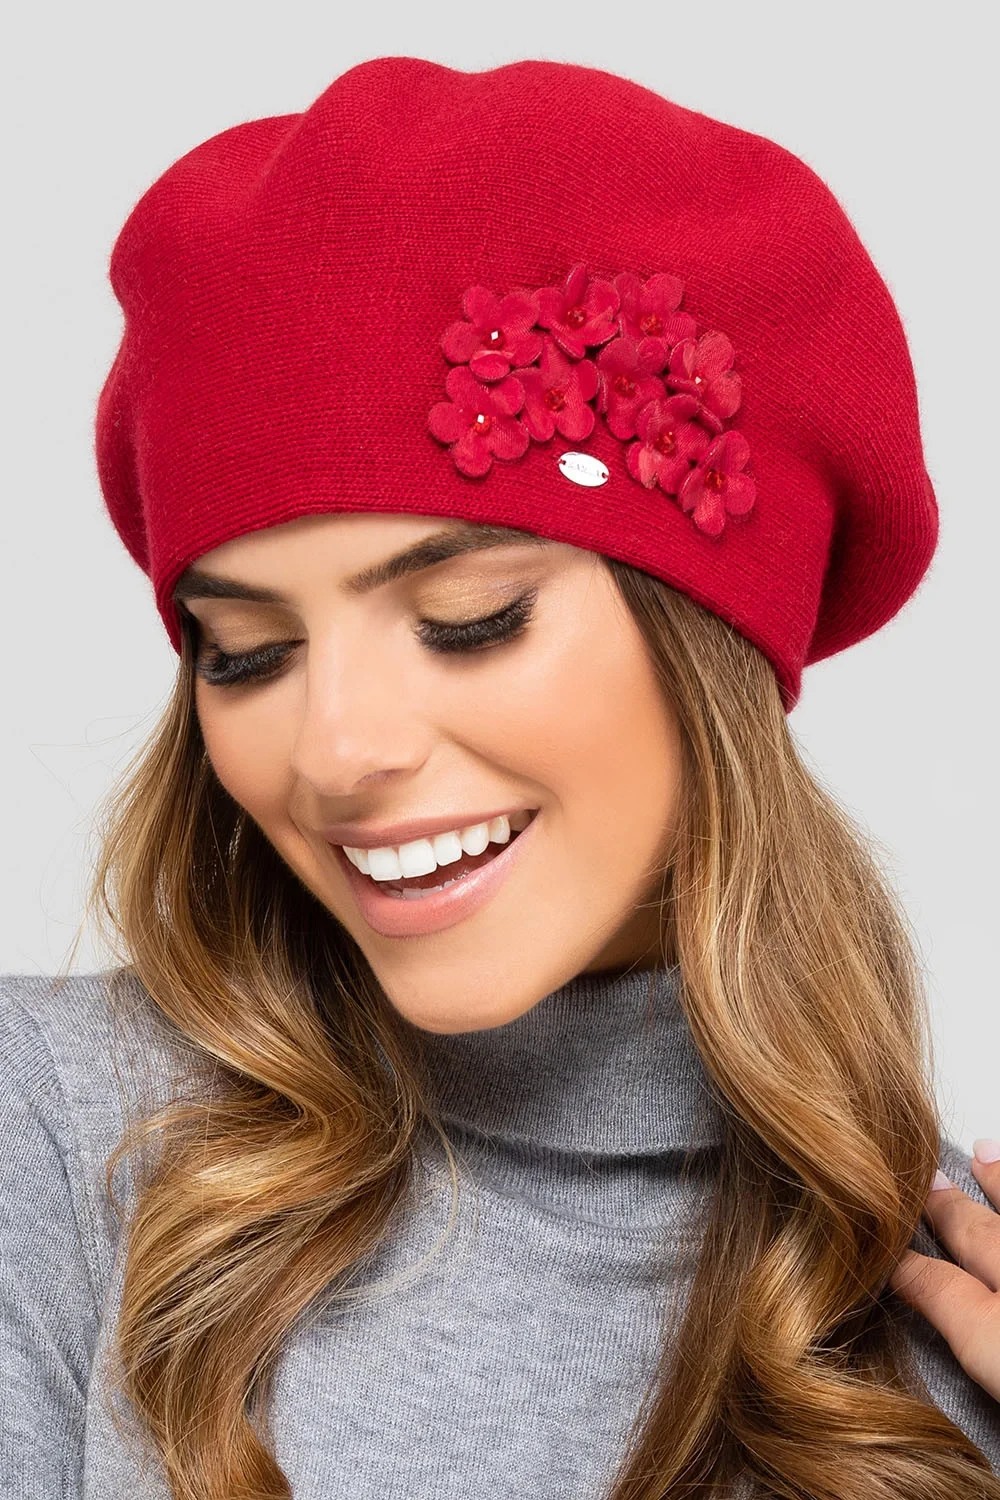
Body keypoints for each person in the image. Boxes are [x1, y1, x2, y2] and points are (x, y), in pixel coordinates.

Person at [2, 53, 998, 1500]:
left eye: (469, 620)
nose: (336, 750)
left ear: (707, 646)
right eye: (246, 653)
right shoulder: (55, 1138)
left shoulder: (948, 1302)